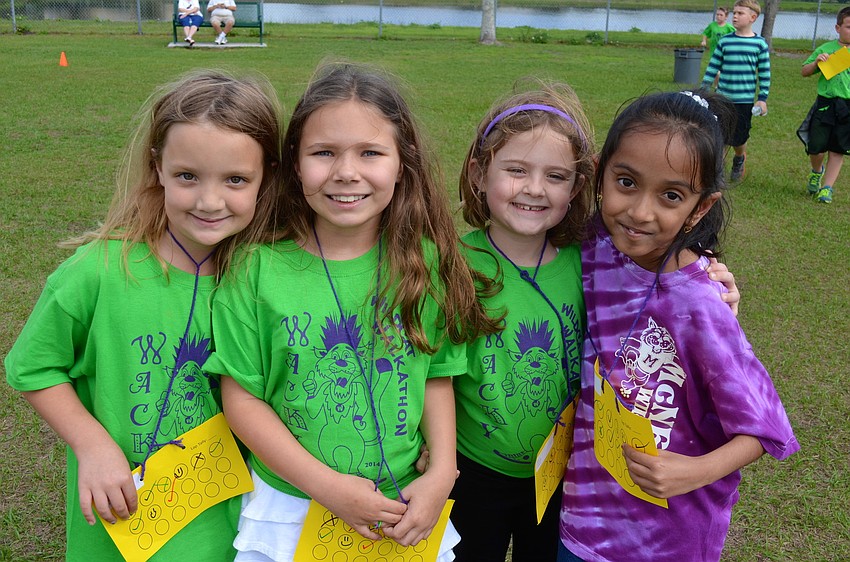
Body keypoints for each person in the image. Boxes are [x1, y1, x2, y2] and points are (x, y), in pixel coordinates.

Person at [203, 62, 500, 562]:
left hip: (403, 507)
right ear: (295, 164)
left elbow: (436, 374)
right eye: (323, 153)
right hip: (290, 508)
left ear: (401, 162)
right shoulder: (255, 269)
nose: (346, 172)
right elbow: (242, 399)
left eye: (370, 153)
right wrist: (328, 488)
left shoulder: (423, 262)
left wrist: (441, 471)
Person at [4, 69, 284, 561]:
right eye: (187, 176)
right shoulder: (97, 273)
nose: (209, 201)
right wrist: (91, 444)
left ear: (267, 178)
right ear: (157, 167)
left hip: (229, 530)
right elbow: (32, 367)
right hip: (117, 526)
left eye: (236, 179)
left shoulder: (266, 282)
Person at [558, 89, 800, 562]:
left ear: (700, 208)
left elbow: (766, 429)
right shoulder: (589, 250)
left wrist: (694, 471)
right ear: (600, 170)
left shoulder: (699, 304)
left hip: (669, 540)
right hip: (580, 526)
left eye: (670, 195)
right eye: (626, 182)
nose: (640, 212)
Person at [449, 81, 594, 562]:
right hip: (470, 472)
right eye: (515, 170)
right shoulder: (449, 264)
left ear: (575, 188)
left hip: (561, 472)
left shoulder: (589, 264)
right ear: (479, 173)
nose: (535, 189)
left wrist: (716, 282)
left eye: (555, 176)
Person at [701, 0, 770, 182]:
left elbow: (764, 74)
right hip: (722, 98)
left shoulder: (759, 44)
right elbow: (712, 67)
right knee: (721, 135)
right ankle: (718, 171)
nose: (735, 16)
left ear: (753, 17)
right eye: (734, 13)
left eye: (740, 13)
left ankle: (739, 158)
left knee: (739, 139)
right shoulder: (725, 41)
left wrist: (762, 98)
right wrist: (704, 89)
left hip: (744, 101)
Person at [800, 6, 850, 204]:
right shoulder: (825, 49)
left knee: (837, 149)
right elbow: (804, 71)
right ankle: (816, 171)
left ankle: (827, 188)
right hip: (825, 104)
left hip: (847, 106)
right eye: (848, 26)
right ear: (837, 28)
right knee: (816, 148)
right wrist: (817, 63)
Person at [700, 7, 735, 89]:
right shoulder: (712, 25)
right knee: (716, 71)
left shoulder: (729, 27)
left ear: (726, 17)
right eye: (717, 14)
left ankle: (719, 86)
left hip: (725, 52)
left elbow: (735, 36)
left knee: (721, 71)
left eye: (721, 15)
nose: (718, 16)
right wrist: (704, 41)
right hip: (714, 52)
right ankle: (716, 87)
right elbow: (705, 33)